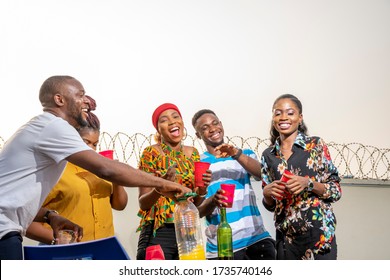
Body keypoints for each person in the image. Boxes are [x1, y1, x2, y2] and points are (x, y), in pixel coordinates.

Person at [0, 76, 188, 260]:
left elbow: (13, 200)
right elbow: (107, 169)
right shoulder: (53, 126)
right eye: (80, 95)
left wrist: (50, 216)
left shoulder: (44, 128)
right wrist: (162, 183)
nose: (87, 102)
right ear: (59, 99)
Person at [26, 95, 128, 244]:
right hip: (66, 254)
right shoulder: (55, 171)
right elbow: (26, 219)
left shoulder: (101, 169)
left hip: (103, 251)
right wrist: (59, 240)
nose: (91, 149)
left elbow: (120, 205)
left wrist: (117, 178)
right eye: (86, 142)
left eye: (95, 144)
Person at [260, 93, 342, 260]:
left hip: (319, 237)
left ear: (300, 118)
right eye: (278, 113)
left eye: (290, 113)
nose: (284, 117)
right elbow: (270, 205)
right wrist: (267, 193)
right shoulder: (268, 155)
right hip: (287, 239)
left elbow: (336, 191)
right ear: (273, 118)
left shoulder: (316, 146)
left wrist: (309, 184)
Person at [192, 109, 275, 260]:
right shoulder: (198, 165)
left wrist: (235, 154)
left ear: (221, 125)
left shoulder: (245, 155)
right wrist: (213, 200)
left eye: (215, 123)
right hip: (222, 248)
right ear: (198, 135)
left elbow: (263, 174)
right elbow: (197, 212)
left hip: (257, 239)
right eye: (205, 128)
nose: (212, 129)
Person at [136, 103, 211, 260]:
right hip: (159, 232)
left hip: (188, 230)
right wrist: (160, 188)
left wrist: (202, 189)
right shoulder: (151, 153)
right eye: (164, 120)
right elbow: (143, 203)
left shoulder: (193, 153)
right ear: (158, 129)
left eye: (176, 117)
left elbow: (195, 203)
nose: (172, 122)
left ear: (182, 123)